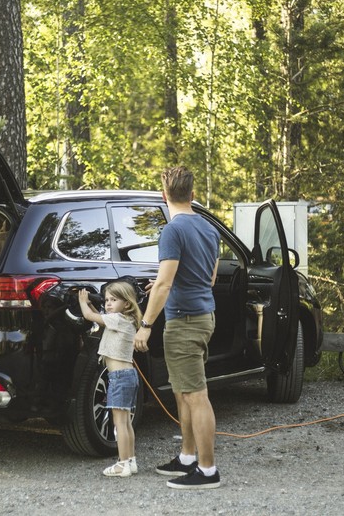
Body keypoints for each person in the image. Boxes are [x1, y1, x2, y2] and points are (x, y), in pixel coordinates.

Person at [133, 166, 221, 490]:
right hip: (203, 316)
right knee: (185, 392)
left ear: (163, 196)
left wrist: (145, 325)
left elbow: (165, 284)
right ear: (193, 195)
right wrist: (166, 281)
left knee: (196, 396)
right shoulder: (209, 228)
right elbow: (208, 279)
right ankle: (187, 457)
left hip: (183, 322)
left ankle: (208, 470)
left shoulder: (172, 230)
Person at [78, 282, 142, 478]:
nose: (108, 304)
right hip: (128, 376)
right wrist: (92, 303)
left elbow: (90, 317)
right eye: (106, 300)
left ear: (127, 303)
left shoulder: (117, 319)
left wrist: (82, 301)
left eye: (114, 300)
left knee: (119, 423)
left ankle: (122, 464)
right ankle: (130, 461)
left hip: (119, 377)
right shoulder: (126, 319)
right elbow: (99, 316)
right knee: (126, 422)